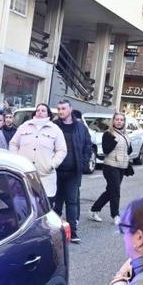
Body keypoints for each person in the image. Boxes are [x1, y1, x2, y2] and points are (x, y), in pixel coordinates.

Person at [50, 100, 93, 242]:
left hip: (73, 172)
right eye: (58, 109)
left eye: (63, 108)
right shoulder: (53, 126)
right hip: (56, 171)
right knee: (56, 203)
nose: (60, 111)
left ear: (70, 109)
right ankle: (54, 232)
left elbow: (88, 146)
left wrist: (83, 162)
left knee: (72, 202)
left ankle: (73, 232)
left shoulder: (80, 127)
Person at [9, 103, 66, 199]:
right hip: (24, 173)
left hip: (45, 176)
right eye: (38, 110)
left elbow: (62, 150)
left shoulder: (55, 130)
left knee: (43, 206)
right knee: (23, 203)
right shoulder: (24, 126)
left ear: (48, 114)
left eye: (43, 111)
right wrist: (15, 160)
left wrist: (52, 165)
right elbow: (13, 144)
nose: (40, 112)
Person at [89, 111, 130, 226]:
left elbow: (129, 150)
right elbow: (106, 150)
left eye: (121, 120)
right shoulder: (108, 134)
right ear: (113, 121)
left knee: (111, 191)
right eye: (117, 119)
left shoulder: (125, 135)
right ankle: (115, 215)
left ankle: (94, 209)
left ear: (124, 122)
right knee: (115, 191)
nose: (119, 121)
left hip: (121, 167)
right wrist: (115, 141)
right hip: (110, 166)